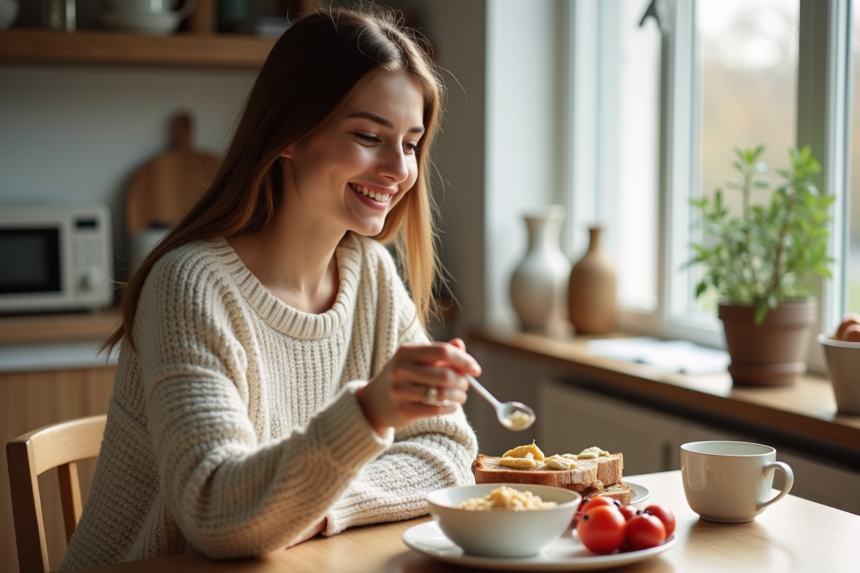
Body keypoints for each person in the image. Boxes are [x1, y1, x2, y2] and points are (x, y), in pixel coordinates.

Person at [60, 7, 480, 569]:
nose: (397, 168)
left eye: (409, 142)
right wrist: (370, 413)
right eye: (367, 136)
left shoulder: (372, 276)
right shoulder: (191, 285)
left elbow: (448, 453)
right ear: (289, 135)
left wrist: (321, 508)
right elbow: (217, 513)